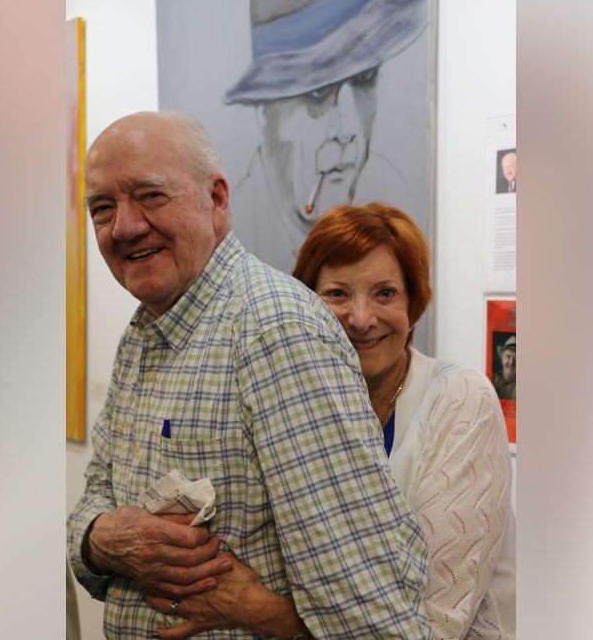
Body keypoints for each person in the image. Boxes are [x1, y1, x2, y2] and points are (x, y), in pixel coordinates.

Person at [66, 112, 433, 639]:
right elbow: (96, 492)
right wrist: (99, 538)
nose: (124, 226)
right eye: (103, 208)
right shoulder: (146, 331)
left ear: (216, 200)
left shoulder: (274, 330)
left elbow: (373, 616)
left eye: (150, 196)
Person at [153, 202, 517, 640]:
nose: (361, 320)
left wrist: (261, 611)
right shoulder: (294, 398)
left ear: (414, 304)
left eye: (385, 293)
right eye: (338, 294)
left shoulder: (461, 400)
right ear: (305, 303)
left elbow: (428, 624)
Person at [223, 0, 428, 272]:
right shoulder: (229, 243)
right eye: (317, 94)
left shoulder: (400, 204)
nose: (348, 129)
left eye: (364, 79)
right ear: (265, 111)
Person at [492, 336, 516, 400]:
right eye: (508, 356)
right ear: (502, 358)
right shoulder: (492, 379)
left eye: (516, 358)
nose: (511, 362)